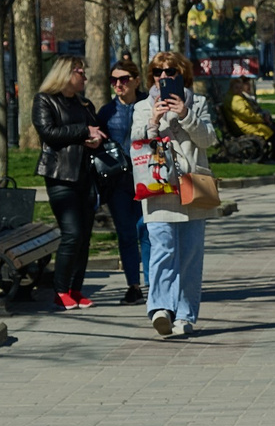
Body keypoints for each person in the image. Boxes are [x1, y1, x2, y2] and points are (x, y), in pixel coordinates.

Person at [134, 51, 219, 339]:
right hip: (159, 185)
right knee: (162, 247)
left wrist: (185, 114)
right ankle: (160, 308)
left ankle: (184, 315)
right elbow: (135, 142)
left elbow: (209, 140)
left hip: (194, 182)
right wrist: (153, 123)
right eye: (158, 72)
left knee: (191, 255)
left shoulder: (198, 103)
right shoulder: (143, 106)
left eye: (170, 72)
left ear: (182, 75)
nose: (163, 77)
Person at [32, 56, 115, 310]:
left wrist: (96, 138)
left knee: (85, 237)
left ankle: (75, 289)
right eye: (80, 72)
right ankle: (60, 290)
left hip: (86, 175)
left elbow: (97, 131)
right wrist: (84, 131)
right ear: (67, 73)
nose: (85, 77)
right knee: (72, 233)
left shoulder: (84, 104)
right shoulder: (44, 100)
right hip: (60, 175)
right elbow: (49, 133)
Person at [96, 59, 147, 304]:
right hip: (118, 183)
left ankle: (154, 284)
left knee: (147, 231)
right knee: (126, 234)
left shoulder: (149, 105)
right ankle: (133, 286)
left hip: (148, 179)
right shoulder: (107, 112)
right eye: (114, 80)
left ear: (136, 81)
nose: (118, 84)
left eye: (124, 79)